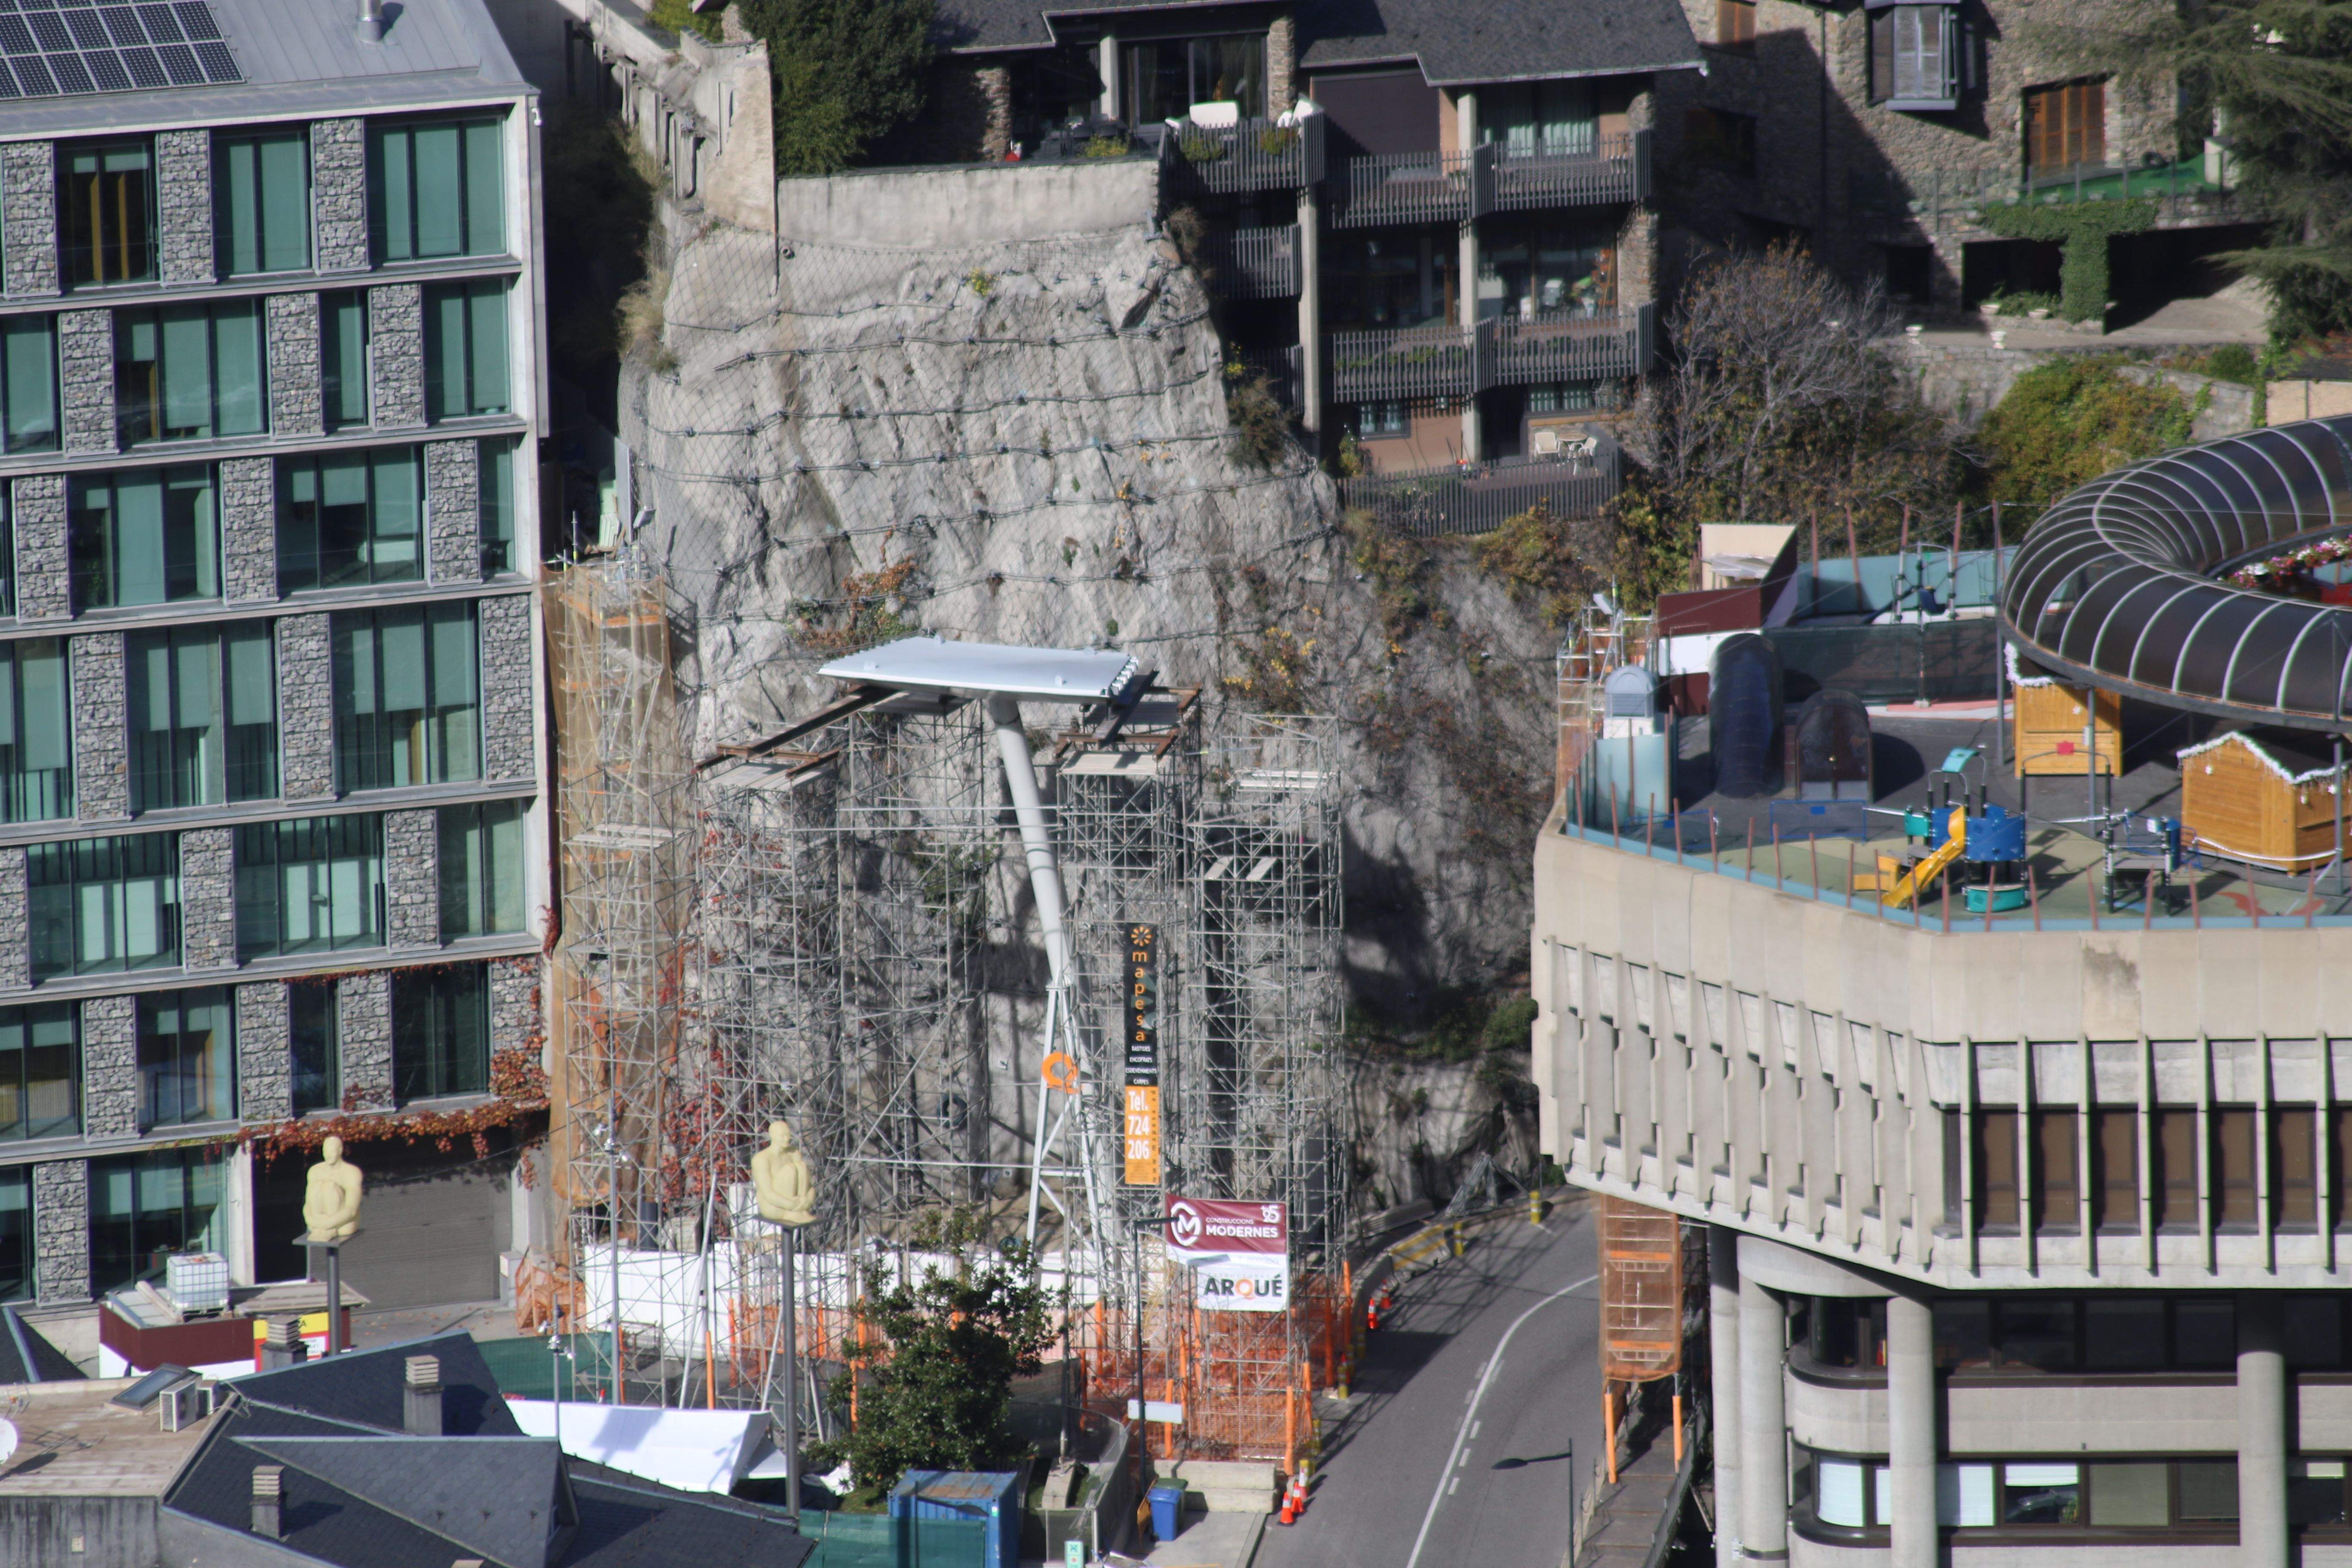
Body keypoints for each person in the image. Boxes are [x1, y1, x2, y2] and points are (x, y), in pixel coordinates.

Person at [750, 1121, 816, 1227]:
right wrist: (792, 1206)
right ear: (773, 1136)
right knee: (790, 1169)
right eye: (782, 1136)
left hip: (800, 1205)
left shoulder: (794, 1153)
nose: (787, 1139)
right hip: (775, 1207)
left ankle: (799, 1212)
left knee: (801, 1166)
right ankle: (794, 1213)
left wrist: (809, 1199)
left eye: (788, 1135)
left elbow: (808, 1184)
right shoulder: (762, 1159)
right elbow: (768, 1194)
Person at [303, 1136, 364, 1242]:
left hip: (342, 1222)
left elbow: (351, 1209)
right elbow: (308, 1204)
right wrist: (310, 1219)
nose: (328, 1155)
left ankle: (329, 1230)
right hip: (318, 1222)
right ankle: (322, 1227)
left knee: (330, 1187)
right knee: (319, 1185)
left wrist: (329, 1223)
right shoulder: (315, 1171)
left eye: (331, 1151)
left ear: (340, 1151)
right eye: (325, 1151)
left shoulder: (352, 1172)